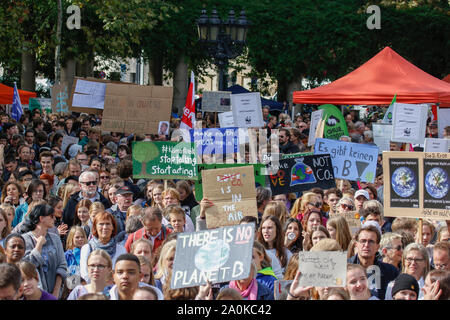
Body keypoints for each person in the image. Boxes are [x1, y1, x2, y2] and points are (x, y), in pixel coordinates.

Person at [21, 204, 67, 298]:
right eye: (51, 216)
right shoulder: (25, 240)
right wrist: (39, 245)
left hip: (54, 294)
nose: (54, 219)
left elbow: (62, 265)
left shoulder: (55, 238)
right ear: (41, 218)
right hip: (32, 295)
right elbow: (28, 267)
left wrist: (56, 293)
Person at [348, 225, 399, 299]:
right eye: (363, 241)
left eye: (371, 241)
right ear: (356, 245)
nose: (366, 245)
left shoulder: (390, 272)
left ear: (377, 247)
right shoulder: (344, 267)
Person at [79, 211, 127, 283]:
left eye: (108, 224)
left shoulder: (121, 250)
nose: (105, 227)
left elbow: (123, 272)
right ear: (95, 227)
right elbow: (84, 274)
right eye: (101, 224)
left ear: (112, 227)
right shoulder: (87, 248)